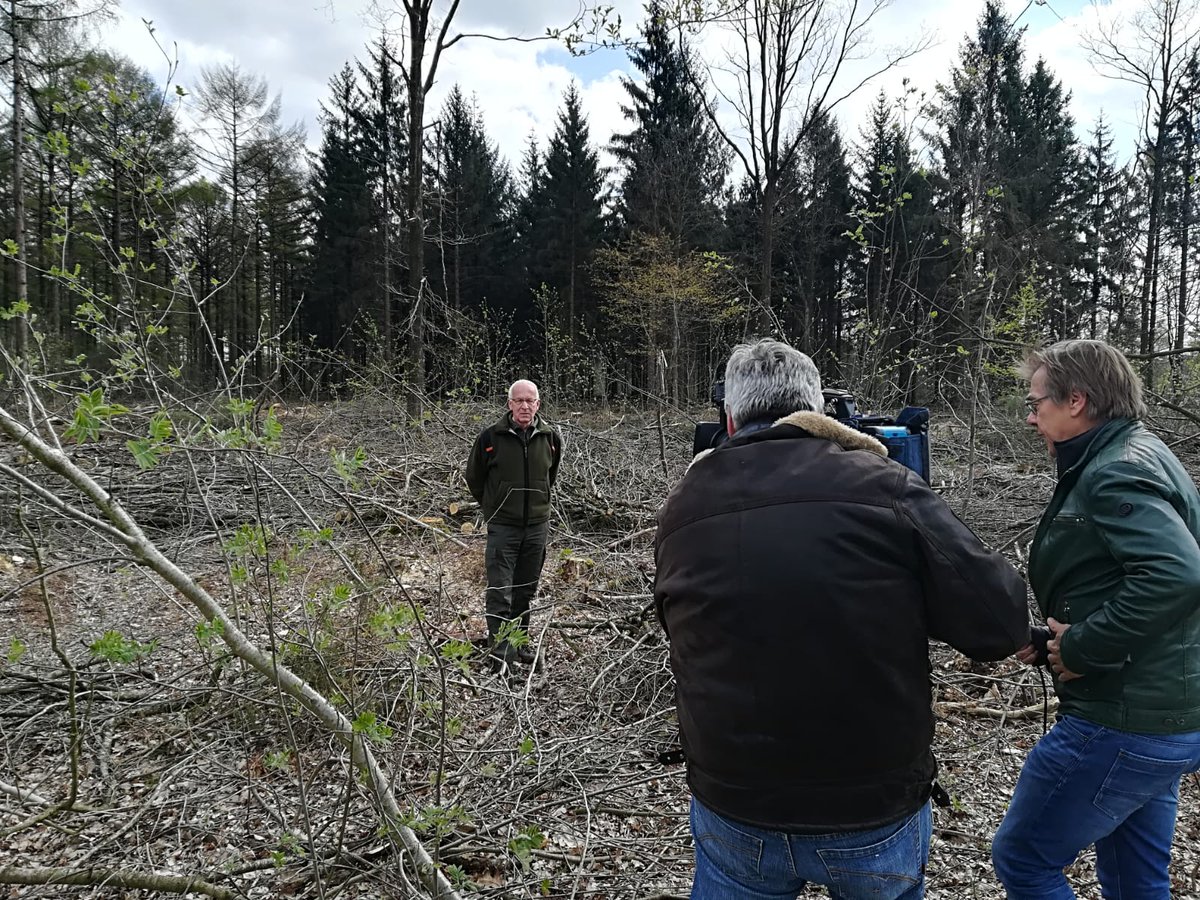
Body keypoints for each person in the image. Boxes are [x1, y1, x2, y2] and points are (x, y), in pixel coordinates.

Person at [654, 338, 1029, 900]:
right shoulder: (885, 486)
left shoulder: (684, 504)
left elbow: (678, 626)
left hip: (734, 797)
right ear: (820, 410)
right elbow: (999, 625)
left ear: (729, 418)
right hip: (870, 803)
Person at [992, 339, 1200, 899]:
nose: (1031, 416)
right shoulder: (1139, 451)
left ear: (1077, 400)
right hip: (1161, 715)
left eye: (1037, 403)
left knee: (1023, 860)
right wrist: (1061, 636)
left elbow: (1176, 575)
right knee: (1136, 879)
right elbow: (1120, 577)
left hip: (1122, 719)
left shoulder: (1114, 471)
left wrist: (1084, 646)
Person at [465, 379, 561, 671]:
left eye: (530, 401)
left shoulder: (550, 438)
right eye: (518, 400)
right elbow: (474, 478)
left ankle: (519, 642)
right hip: (503, 528)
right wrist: (495, 509)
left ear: (538, 405)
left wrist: (538, 508)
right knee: (500, 591)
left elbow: (550, 477)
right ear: (509, 404)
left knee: (525, 590)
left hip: (536, 527)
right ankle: (500, 653)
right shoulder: (490, 438)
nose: (524, 406)